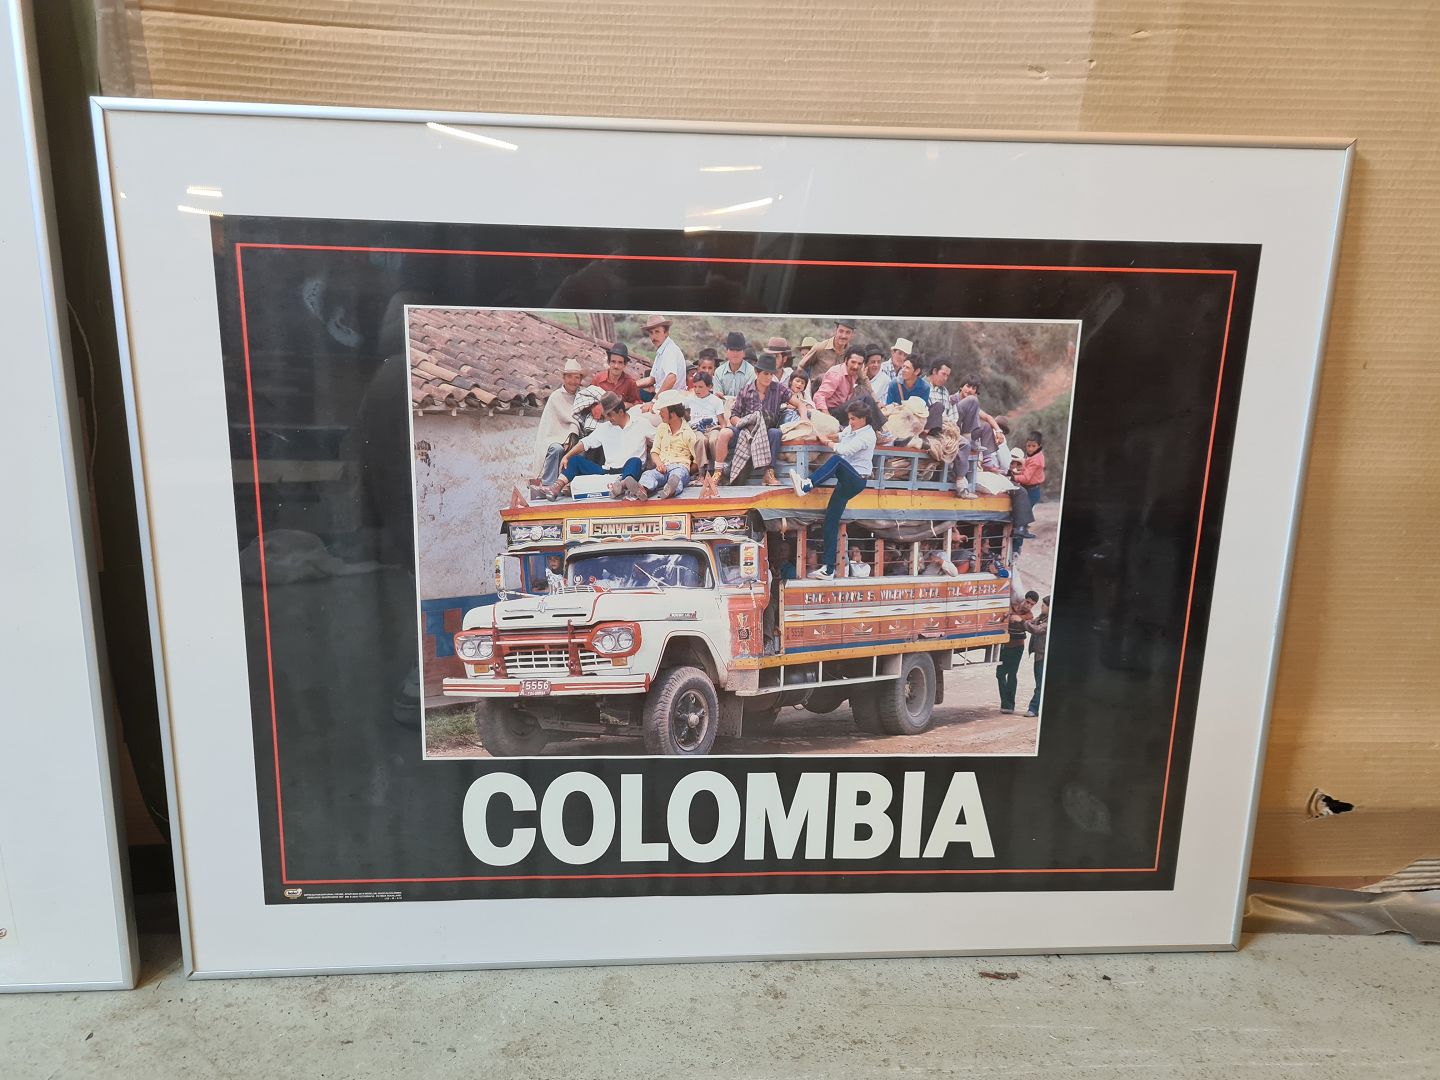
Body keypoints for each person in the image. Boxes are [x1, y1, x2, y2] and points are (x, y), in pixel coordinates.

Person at [790, 401, 877, 579]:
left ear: (863, 419)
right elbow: (840, 435)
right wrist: (821, 436)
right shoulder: (852, 429)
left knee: (837, 461)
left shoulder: (868, 436)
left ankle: (807, 485)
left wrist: (828, 442)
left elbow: (844, 449)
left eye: (853, 419)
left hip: (857, 479)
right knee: (830, 521)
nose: (850, 422)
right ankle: (829, 569)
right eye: (849, 418)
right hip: (846, 481)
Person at [530, 391, 648, 500]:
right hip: (608, 471)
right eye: (606, 415)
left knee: (635, 461)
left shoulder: (641, 423)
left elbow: (657, 440)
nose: (607, 418)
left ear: (621, 412)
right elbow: (585, 443)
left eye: (610, 415)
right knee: (575, 460)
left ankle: (622, 485)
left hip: (630, 471)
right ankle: (556, 487)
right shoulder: (604, 428)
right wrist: (567, 456)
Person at [726, 353, 791, 486]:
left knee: (775, 433)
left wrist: (803, 415)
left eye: (771, 374)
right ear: (757, 372)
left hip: (766, 431)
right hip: (747, 430)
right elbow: (733, 415)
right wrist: (743, 423)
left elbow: (798, 403)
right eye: (765, 374)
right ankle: (722, 472)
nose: (769, 377)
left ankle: (768, 473)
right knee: (728, 433)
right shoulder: (745, 391)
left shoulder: (778, 388)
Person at [630, 388, 699, 500]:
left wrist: (686, 470)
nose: (660, 414)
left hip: (680, 466)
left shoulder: (688, 433)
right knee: (648, 474)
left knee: (677, 475)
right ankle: (643, 489)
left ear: (673, 413)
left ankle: (670, 490)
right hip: (662, 467)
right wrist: (659, 464)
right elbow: (655, 452)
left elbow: (696, 461)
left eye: (662, 411)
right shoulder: (662, 428)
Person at [532, 357, 585, 486]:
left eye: (577, 377)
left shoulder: (583, 397)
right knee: (556, 449)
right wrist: (567, 437)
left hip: (576, 437)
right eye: (570, 377)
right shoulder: (556, 397)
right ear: (564, 378)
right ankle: (549, 484)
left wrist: (574, 434)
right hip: (555, 437)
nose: (573, 381)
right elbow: (551, 426)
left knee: (584, 451)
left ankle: (575, 486)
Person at [996, 592, 1036, 713]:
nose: (1028, 606)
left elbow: (1029, 626)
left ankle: (1009, 705)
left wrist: (1019, 619)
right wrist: (1005, 617)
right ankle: (1006, 702)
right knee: (1000, 674)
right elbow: (999, 620)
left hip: (1017, 647)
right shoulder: (1011, 607)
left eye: (1032, 604)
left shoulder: (1029, 616)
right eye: (1027, 602)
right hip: (1004, 646)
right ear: (1023, 599)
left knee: (1012, 674)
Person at [685, 371, 731, 473]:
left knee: (713, 440)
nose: (697, 390)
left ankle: (719, 470)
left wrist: (723, 431)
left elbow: (722, 421)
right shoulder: (689, 400)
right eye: (695, 387)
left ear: (709, 387)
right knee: (700, 440)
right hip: (696, 428)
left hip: (712, 427)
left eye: (700, 387)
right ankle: (702, 472)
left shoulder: (716, 401)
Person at [637, 314, 686, 399]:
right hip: (662, 396)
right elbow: (652, 379)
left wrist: (654, 401)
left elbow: (671, 378)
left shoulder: (670, 350)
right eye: (651, 333)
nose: (654, 336)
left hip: (671, 399)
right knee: (632, 391)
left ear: (666, 332)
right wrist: (632, 384)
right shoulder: (662, 350)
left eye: (657, 332)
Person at [590, 342, 641, 417]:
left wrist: (628, 405)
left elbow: (638, 403)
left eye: (620, 362)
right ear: (608, 362)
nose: (616, 366)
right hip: (599, 417)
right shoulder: (598, 378)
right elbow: (588, 399)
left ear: (625, 365)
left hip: (619, 419)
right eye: (613, 362)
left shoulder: (630, 382)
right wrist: (597, 408)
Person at [813, 346, 865, 418]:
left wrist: (877, 403)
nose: (856, 366)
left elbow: (866, 381)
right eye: (853, 362)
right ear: (846, 360)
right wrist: (827, 415)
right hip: (832, 411)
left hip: (844, 409)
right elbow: (819, 396)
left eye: (859, 364)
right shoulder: (836, 373)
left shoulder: (854, 373)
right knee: (865, 397)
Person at [1024, 595, 1049, 717]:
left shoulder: (1048, 621)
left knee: (1040, 684)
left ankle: (1033, 709)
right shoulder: (1042, 617)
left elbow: (1037, 629)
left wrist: (1022, 622)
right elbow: (1032, 623)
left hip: (1043, 656)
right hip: (1039, 656)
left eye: (1044, 606)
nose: (1041, 607)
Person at [714, 330, 755, 398]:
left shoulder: (751, 372)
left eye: (738, 350)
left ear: (744, 353)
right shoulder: (718, 372)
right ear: (726, 352)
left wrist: (725, 398)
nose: (735, 353)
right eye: (732, 349)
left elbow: (748, 398)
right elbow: (717, 398)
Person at [1014, 431, 1047, 506]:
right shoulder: (1032, 455)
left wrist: (1013, 477)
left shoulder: (1036, 460)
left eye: (1033, 446)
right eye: (1028, 446)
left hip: (1031, 491)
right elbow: (1026, 470)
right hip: (1027, 489)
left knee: (1023, 512)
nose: (1030, 449)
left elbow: (1026, 478)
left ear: (1039, 446)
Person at [927, 358, 957, 424]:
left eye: (947, 376)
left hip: (945, 426)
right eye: (943, 374)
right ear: (934, 371)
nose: (945, 379)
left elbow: (952, 416)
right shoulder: (921, 386)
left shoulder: (945, 392)